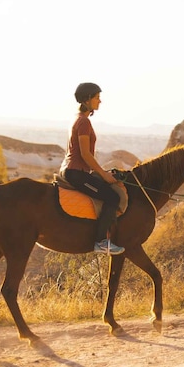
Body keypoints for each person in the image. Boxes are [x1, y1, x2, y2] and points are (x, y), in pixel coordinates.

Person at [60, 82, 125, 255]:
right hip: (76, 173)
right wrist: (103, 175)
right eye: (97, 97)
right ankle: (101, 242)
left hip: (75, 170)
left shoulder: (78, 119)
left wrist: (101, 172)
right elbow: (85, 154)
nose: (100, 101)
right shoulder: (84, 122)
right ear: (87, 99)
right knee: (112, 197)